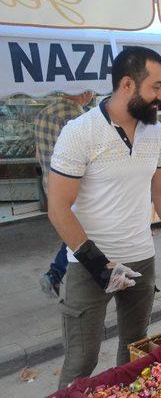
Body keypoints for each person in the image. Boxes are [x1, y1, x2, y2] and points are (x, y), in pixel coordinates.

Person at [48, 46, 161, 389]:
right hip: (89, 266)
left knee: (136, 353)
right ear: (128, 84)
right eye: (156, 87)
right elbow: (58, 208)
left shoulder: (154, 132)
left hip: (141, 259)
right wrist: (100, 265)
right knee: (82, 361)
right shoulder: (80, 132)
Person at [36, 92, 94, 297]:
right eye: (91, 91)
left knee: (72, 228)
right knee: (81, 231)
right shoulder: (80, 119)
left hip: (50, 186)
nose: (92, 95)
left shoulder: (43, 114)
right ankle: (56, 275)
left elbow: (38, 154)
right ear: (84, 92)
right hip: (75, 188)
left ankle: (56, 275)